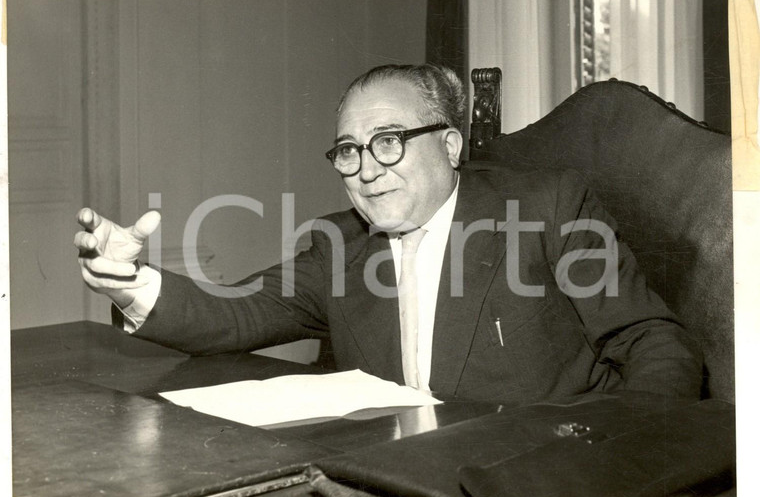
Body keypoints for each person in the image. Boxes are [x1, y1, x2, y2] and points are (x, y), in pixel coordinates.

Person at [75, 63, 703, 405]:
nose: (366, 169)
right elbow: (235, 314)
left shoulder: (549, 206)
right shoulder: (338, 245)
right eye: (348, 150)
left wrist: (617, 456)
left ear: (451, 145)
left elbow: (653, 343)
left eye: (389, 142)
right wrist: (130, 285)